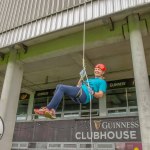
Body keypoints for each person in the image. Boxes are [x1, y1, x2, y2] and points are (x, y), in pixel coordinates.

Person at [34, 64, 107, 119]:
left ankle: (48, 108)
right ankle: (52, 111)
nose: (96, 70)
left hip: (85, 95)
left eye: (99, 69)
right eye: (95, 69)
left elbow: (100, 95)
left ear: (102, 72)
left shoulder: (102, 82)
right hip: (79, 93)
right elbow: (78, 86)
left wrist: (93, 92)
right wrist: (81, 78)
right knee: (58, 86)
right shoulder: (90, 79)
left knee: (61, 87)